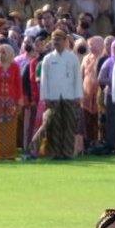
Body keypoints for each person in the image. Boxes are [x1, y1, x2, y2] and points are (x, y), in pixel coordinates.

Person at [40, 27, 83, 159]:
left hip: (69, 96)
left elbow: (77, 78)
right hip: (53, 97)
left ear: (65, 41)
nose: (56, 42)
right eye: (54, 40)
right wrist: (45, 97)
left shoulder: (72, 58)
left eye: (58, 39)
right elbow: (44, 79)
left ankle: (67, 153)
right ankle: (55, 152)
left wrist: (78, 96)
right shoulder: (48, 58)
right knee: (54, 126)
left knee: (69, 125)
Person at [0, 43, 23, 160]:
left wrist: (19, 101)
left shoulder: (15, 67)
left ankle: (10, 154)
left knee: (11, 129)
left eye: (3, 52)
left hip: (12, 103)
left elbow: (18, 85)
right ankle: (0, 154)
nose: (1, 55)